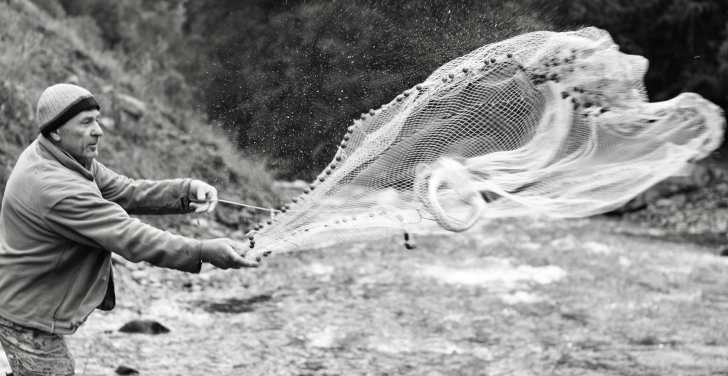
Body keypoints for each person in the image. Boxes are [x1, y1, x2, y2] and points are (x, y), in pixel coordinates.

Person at [0, 83, 258, 376]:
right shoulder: (56, 187)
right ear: (56, 131)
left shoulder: (62, 156)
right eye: (86, 123)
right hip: (26, 316)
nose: (99, 130)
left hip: (28, 300)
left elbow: (126, 190)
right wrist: (202, 251)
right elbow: (128, 235)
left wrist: (186, 192)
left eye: (97, 119)